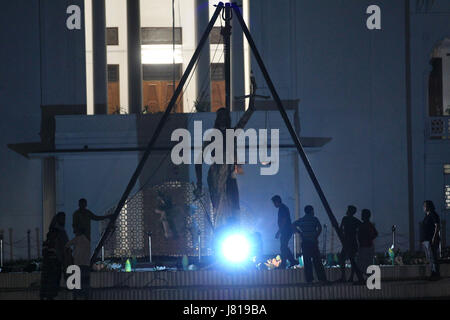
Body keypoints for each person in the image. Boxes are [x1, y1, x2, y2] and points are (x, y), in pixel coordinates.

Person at [293, 206, 327, 283]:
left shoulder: (302, 220)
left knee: (307, 261)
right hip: (313, 242)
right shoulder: (314, 219)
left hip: (305, 242)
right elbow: (320, 228)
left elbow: (293, 225)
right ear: (311, 211)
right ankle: (322, 279)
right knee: (317, 261)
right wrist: (316, 235)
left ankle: (309, 279)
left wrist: (300, 232)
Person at [40, 212, 69, 300]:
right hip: (53, 262)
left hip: (54, 262)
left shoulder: (59, 232)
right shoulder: (56, 233)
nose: (63, 220)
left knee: (52, 283)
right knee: (51, 283)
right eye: (62, 218)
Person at [66, 226, 91, 300]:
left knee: (76, 286)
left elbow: (67, 245)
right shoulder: (87, 241)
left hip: (77, 265)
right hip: (86, 265)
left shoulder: (76, 239)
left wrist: (70, 253)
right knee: (85, 285)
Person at [271, 195, 297, 268]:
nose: (274, 204)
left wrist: (279, 231)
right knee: (284, 246)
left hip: (286, 230)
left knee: (283, 247)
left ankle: (284, 264)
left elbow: (284, 220)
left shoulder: (282, 208)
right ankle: (292, 261)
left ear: (277, 201)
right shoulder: (283, 207)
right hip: (286, 230)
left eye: (274, 203)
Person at [338, 205, 362, 282]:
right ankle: (349, 276)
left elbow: (340, 229)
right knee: (351, 259)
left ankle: (344, 276)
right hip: (352, 241)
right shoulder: (355, 220)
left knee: (343, 258)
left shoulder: (345, 219)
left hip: (347, 242)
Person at [420, 200, 441, 280]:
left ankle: (436, 274)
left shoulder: (433, 214)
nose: (423, 207)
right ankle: (433, 273)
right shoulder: (427, 216)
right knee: (430, 258)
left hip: (430, 240)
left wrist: (434, 237)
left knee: (433, 257)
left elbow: (437, 226)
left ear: (429, 206)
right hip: (426, 240)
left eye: (425, 206)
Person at [357, 209, 378, 277]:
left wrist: (366, 239)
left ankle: (368, 278)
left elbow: (360, 236)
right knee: (367, 264)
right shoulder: (369, 225)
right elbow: (375, 233)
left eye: (362, 215)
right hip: (368, 246)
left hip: (364, 247)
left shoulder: (363, 225)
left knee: (362, 264)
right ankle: (369, 278)